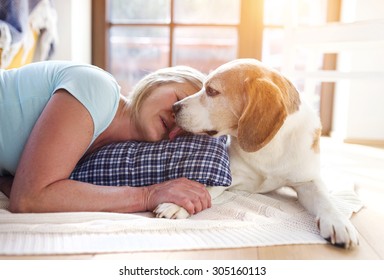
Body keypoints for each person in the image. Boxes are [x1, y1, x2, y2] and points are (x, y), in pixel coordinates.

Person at [0, 61, 211, 214]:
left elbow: (24, 187)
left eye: (184, 126)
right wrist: (148, 195)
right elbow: (28, 198)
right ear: (158, 83)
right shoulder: (98, 89)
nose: (176, 121)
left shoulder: (101, 151)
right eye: (178, 101)